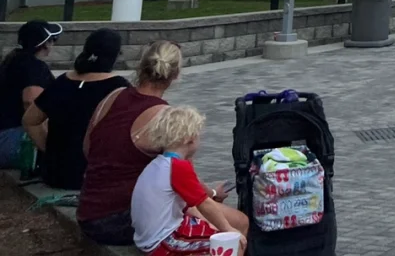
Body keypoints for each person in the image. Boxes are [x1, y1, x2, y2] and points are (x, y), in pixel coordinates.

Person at [78, 40, 183, 246]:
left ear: (141, 64)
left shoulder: (113, 95)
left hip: (88, 211)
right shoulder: (165, 116)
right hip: (122, 219)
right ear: (175, 75)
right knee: (234, 223)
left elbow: (87, 149)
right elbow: (182, 183)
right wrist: (213, 193)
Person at [130, 105, 248, 255]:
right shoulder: (178, 167)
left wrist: (214, 226)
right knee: (235, 242)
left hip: (148, 237)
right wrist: (228, 229)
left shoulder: (158, 164)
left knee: (214, 229)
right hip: (163, 240)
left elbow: (188, 207)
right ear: (189, 138)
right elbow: (204, 203)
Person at [23, 29, 129, 190]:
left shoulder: (63, 81)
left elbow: (30, 120)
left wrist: (50, 150)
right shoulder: (119, 87)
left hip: (55, 173)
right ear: (115, 55)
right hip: (92, 177)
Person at [0, 19, 60, 167]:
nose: (53, 44)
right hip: (12, 139)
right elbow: (31, 102)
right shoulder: (34, 67)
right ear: (45, 44)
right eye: (53, 40)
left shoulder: (12, 60)